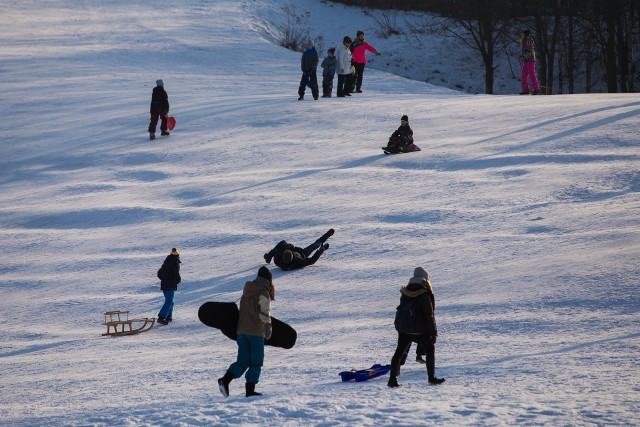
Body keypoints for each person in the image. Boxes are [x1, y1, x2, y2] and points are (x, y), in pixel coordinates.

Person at [218, 266, 276, 398]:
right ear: (268, 279)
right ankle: (250, 390)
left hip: (242, 331)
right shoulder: (263, 292)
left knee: (242, 361)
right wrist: (267, 326)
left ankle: (225, 380)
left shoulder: (247, 289)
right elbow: (264, 311)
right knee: (256, 361)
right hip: (255, 332)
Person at [388, 267, 445, 387]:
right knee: (430, 350)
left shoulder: (405, 291)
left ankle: (392, 380)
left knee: (398, 352)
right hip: (420, 329)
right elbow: (429, 315)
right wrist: (433, 332)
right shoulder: (425, 293)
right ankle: (431, 378)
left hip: (404, 328)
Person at [264, 229, 334, 271]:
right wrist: (321, 250)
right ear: (293, 255)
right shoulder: (299, 262)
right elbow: (312, 260)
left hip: (292, 252)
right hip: (303, 253)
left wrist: (268, 256)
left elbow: (274, 251)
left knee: (282, 243)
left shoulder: (278, 260)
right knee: (316, 244)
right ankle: (327, 235)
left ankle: (267, 258)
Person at [156, 247, 181, 325]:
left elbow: (159, 274)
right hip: (171, 285)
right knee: (169, 302)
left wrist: (164, 280)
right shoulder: (175, 262)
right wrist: (177, 281)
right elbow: (176, 273)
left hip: (164, 285)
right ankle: (161, 317)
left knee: (170, 302)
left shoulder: (165, 263)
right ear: (177, 255)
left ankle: (169, 316)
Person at [519, 30, 540, 95]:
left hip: (530, 60)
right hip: (526, 60)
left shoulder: (528, 40)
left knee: (532, 74)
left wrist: (524, 56)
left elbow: (530, 50)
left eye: (522, 34)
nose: (521, 35)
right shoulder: (524, 41)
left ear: (525, 35)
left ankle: (536, 89)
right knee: (524, 75)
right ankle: (525, 90)